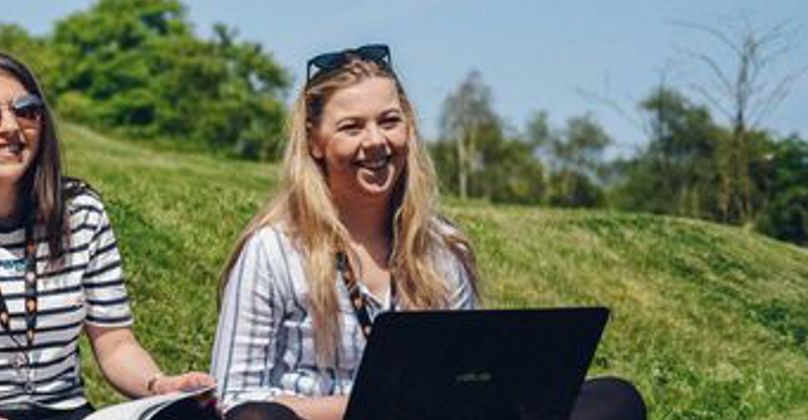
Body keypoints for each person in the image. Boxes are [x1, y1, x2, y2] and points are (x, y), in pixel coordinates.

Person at [209, 44, 645, 420]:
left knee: (613, 400)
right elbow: (233, 400)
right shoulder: (273, 249)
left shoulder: (442, 248)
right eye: (351, 126)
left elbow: (471, 377)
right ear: (315, 142)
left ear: (409, 128)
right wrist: (373, 406)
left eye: (389, 121)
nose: (376, 141)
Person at [0, 50, 215, 420]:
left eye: (26, 110)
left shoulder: (81, 213)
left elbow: (114, 343)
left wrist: (160, 386)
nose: (11, 127)